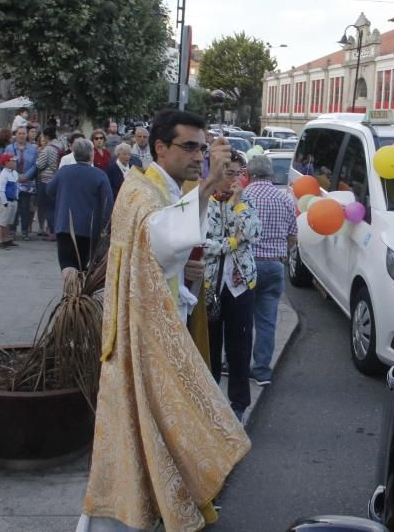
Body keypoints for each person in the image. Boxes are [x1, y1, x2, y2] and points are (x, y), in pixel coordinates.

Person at [78, 110, 250, 532]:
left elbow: (160, 263)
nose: (198, 156)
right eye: (190, 147)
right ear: (160, 148)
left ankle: (171, 502)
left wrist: (185, 285)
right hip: (141, 340)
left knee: (162, 433)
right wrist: (210, 185)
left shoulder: (167, 189)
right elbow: (162, 244)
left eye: (202, 147)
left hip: (159, 327)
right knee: (140, 435)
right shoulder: (141, 191)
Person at [204, 152, 261, 420]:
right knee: (210, 346)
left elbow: (253, 233)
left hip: (241, 284)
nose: (236, 180)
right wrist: (233, 243)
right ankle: (211, 402)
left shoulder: (245, 201)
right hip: (210, 284)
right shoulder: (205, 203)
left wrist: (239, 205)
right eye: (230, 174)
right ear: (217, 174)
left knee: (240, 346)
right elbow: (202, 243)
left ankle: (239, 405)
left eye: (240, 174)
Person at [243, 154, 297, 386]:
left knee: (242, 319)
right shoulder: (285, 199)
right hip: (275, 265)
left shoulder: (244, 197)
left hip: (248, 265)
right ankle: (262, 371)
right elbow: (293, 236)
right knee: (267, 322)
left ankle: (236, 364)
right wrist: (282, 253)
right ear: (271, 173)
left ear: (249, 174)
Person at [45, 138, 113, 272]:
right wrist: (107, 228)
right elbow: (108, 204)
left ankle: (69, 291)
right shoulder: (99, 175)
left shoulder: (63, 171)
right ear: (91, 154)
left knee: (67, 264)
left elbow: (50, 190)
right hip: (89, 229)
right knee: (82, 267)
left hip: (64, 226)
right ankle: (78, 292)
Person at [5, 126, 38, 240]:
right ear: (16, 134)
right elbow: (5, 162)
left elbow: (35, 165)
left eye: (24, 133)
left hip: (27, 181)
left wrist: (26, 175)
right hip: (13, 181)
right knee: (13, 206)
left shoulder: (33, 149)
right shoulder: (9, 148)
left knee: (25, 207)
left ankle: (25, 230)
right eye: (19, 133)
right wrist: (15, 175)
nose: (21, 136)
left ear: (27, 135)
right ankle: (12, 230)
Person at [36, 127, 63, 241]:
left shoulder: (48, 149)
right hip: (58, 179)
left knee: (48, 208)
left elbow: (39, 164)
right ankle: (56, 230)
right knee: (56, 207)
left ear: (46, 137)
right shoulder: (61, 146)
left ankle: (53, 232)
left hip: (46, 180)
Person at [0, 152, 20, 250]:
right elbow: (1, 190)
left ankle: (7, 239)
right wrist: (4, 202)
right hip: (5, 201)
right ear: (6, 163)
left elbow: (17, 186)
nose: (15, 163)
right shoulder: (3, 175)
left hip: (13, 200)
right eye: (12, 161)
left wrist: (16, 197)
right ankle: (0, 240)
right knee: (2, 222)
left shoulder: (14, 173)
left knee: (9, 221)